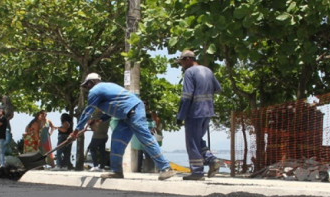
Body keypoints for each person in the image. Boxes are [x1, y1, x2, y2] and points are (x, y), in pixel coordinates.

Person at [72, 73, 176, 181]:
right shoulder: (107, 88)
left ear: (92, 82)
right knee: (117, 141)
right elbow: (114, 107)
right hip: (126, 114)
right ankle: (116, 171)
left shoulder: (95, 90)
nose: (86, 88)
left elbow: (87, 112)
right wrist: (100, 120)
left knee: (146, 139)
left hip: (133, 111)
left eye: (87, 85)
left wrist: (76, 131)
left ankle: (166, 168)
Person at [177, 49, 222, 180]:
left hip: (194, 112)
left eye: (182, 63)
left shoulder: (189, 72)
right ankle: (211, 159)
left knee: (192, 142)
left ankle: (197, 172)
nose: (182, 66)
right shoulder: (208, 70)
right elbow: (218, 89)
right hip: (208, 111)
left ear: (188, 60)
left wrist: (180, 116)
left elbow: (186, 96)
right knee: (197, 140)